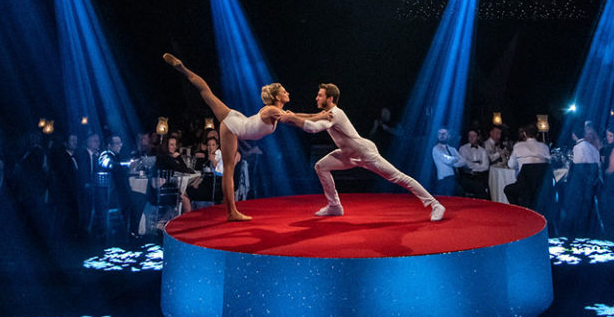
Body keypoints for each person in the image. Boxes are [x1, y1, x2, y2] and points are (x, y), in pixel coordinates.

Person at [164, 53, 304, 221]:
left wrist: (320, 117)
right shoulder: (272, 110)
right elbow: (295, 119)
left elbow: (294, 117)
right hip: (234, 127)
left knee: (206, 92)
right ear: (276, 97)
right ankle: (231, 212)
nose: (287, 92)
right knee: (228, 171)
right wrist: (321, 117)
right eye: (284, 91)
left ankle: (183, 69)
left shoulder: (273, 111)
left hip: (237, 118)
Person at [289, 83, 444, 221]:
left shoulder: (335, 113)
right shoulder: (328, 114)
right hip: (348, 154)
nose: (316, 98)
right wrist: (289, 116)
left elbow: (313, 127)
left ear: (330, 98)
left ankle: (435, 205)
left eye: (320, 95)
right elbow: (312, 118)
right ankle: (334, 206)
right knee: (321, 166)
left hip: (364, 152)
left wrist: (289, 118)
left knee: (398, 177)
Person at [456, 129, 490, 198]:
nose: (471, 138)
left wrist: (472, 165)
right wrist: (478, 164)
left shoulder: (483, 151)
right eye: (469, 136)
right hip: (467, 176)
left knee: (483, 190)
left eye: (474, 136)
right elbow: (465, 164)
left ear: (478, 137)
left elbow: (486, 166)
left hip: (479, 177)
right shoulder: (463, 149)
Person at [430, 128, 464, 196]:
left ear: (449, 136)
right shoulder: (436, 148)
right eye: (439, 133)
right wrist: (456, 159)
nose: (442, 135)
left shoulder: (452, 149)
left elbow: (463, 161)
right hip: (444, 180)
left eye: (444, 133)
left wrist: (454, 162)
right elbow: (447, 160)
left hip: (454, 178)